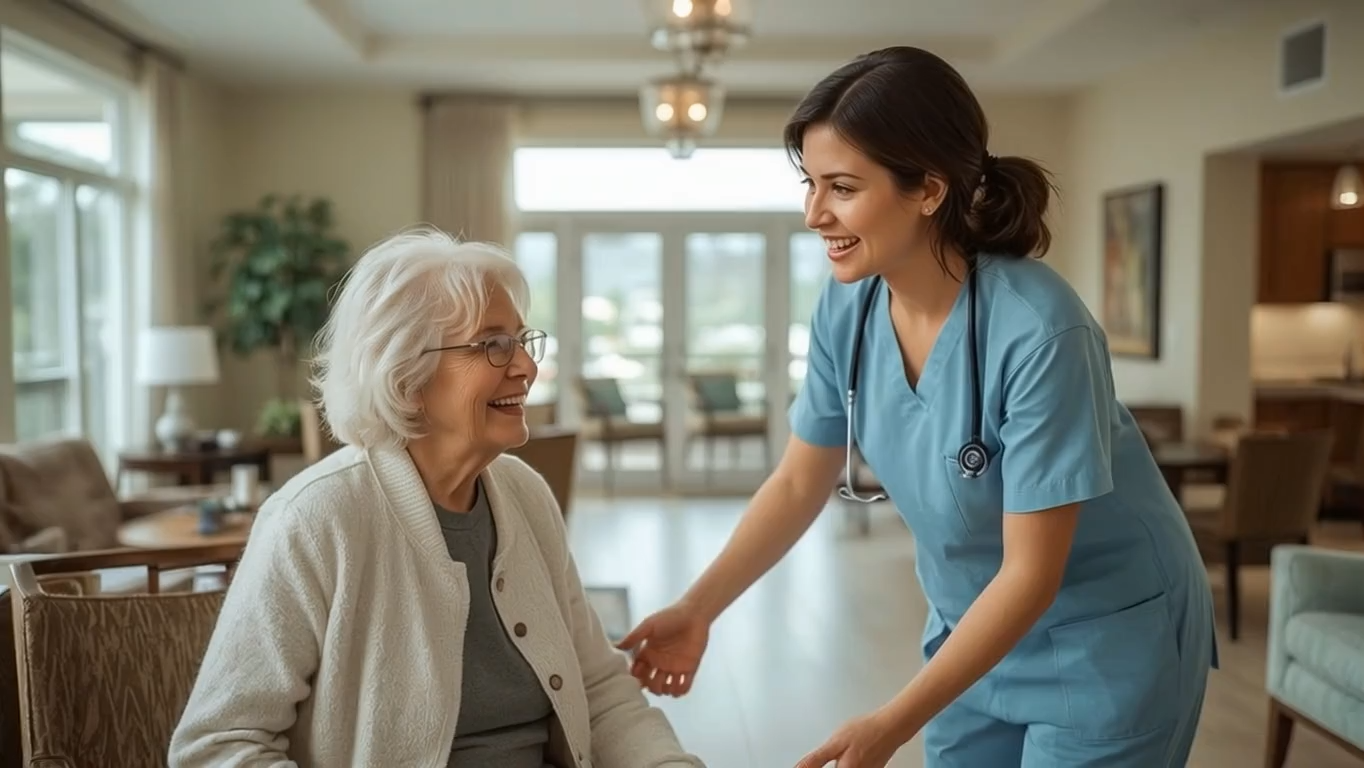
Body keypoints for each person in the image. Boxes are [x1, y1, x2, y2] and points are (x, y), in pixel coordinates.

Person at [617, 46, 1217, 768]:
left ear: (928, 189)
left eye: (841, 186)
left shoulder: (1039, 329)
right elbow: (797, 482)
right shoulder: (850, 307)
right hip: (972, 634)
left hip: (1103, 638)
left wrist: (892, 721)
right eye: (810, 184)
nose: (814, 214)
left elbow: (1031, 573)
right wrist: (697, 607)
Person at [169, 228, 704, 768]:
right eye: (492, 345)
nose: (525, 366)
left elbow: (601, 690)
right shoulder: (316, 518)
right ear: (405, 375)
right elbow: (217, 747)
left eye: (521, 340)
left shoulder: (524, 493)